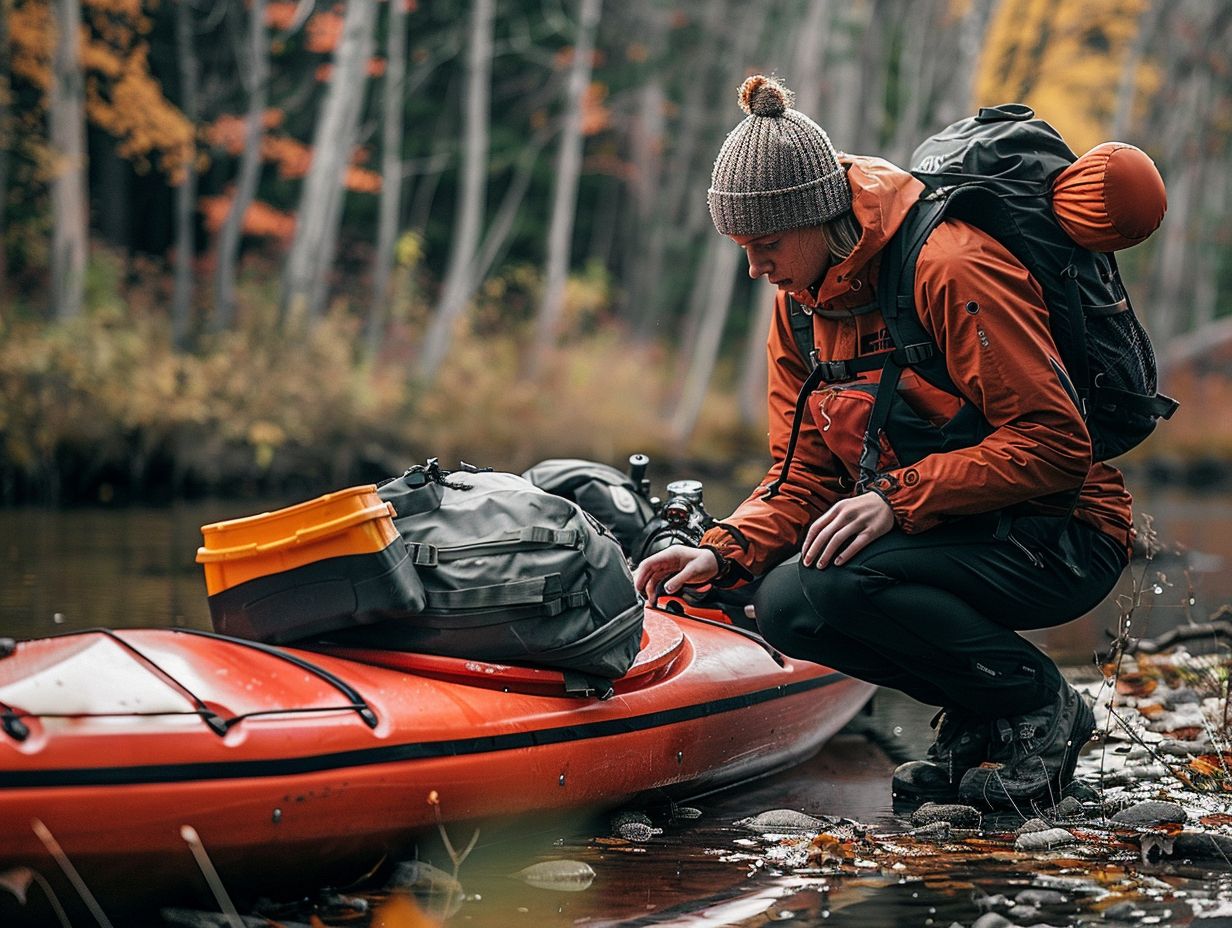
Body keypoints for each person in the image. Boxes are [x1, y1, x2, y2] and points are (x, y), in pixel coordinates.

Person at [632, 75, 1131, 810]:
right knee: (787, 604)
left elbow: (1056, 441)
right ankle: (983, 716)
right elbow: (802, 476)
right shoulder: (798, 310)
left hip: (1060, 535)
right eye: (740, 246)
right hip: (943, 536)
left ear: (816, 217)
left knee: (834, 580)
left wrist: (895, 500)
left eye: (764, 243)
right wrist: (723, 549)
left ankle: (1040, 706)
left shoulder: (951, 266)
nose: (754, 267)